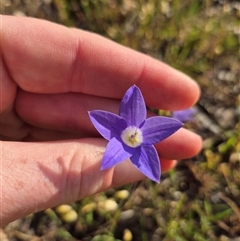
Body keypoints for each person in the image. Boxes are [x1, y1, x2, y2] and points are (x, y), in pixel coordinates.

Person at [0, 15, 202, 226]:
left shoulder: (146, 137)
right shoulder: (117, 126)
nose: (133, 136)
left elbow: (160, 130)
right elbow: (106, 121)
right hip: (121, 139)